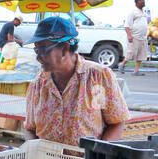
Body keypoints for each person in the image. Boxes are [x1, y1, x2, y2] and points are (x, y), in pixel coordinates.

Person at [24, 15, 128, 146]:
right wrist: (33, 150)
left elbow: (116, 122)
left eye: (43, 50)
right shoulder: (38, 84)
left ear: (65, 48)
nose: (38, 57)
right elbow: (30, 129)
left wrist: (98, 154)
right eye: (36, 50)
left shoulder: (98, 77)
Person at [124, 0, 150, 74]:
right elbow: (126, 25)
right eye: (141, 0)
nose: (143, 2)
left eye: (143, 0)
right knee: (131, 53)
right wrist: (129, 35)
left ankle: (136, 71)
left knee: (141, 55)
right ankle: (122, 64)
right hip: (134, 36)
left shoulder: (143, 12)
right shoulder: (132, 12)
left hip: (143, 37)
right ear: (137, 2)